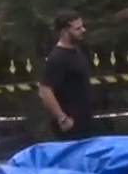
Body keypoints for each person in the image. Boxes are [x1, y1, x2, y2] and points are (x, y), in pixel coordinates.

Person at [37, 11, 95, 139]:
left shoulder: (78, 52)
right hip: (70, 125)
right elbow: (45, 90)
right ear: (64, 31)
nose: (83, 30)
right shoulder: (57, 58)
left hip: (85, 120)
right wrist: (62, 117)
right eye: (78, 28)